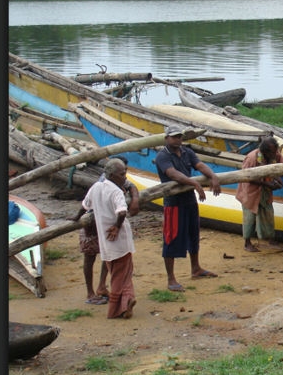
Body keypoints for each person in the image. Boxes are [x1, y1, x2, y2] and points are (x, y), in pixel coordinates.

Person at [155, 124, 222, 292]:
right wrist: (195, 183)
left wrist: (213, 176)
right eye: (174, 136)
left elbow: (199, 165)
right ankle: (171, 279)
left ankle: (196, 268)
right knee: (171, 238)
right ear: (166, 138)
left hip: (189, 201)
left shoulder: (187, 152)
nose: (178, 139)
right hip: (173, 202)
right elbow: (172, 174)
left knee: (193, 234)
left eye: (180, 136)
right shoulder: (162, 155)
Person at [71, 155, 140, 305]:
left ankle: (102, 287)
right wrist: (77, 219)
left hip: (106, 224)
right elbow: (87, 205)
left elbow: (132, 187)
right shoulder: (105, 184)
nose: (125, 176)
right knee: (91, 257)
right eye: (123, 173)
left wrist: (135, 200)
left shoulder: (117, 179)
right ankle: (91, 293)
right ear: (113, 173)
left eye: (126, 171)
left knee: (108, 256)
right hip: (94, 224)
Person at [235, 137, 283, 252]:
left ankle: (271, 240)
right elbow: (246, 177)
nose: (275, 154)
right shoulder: (252, 158)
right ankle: (247, 243)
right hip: (251, 191)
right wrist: (267, 184)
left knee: (268, 213)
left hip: (265, 191)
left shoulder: (275, 155)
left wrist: (279, 179)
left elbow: (282, 166)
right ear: (265, 152)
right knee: (250, 216)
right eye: (272, 152)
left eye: (275, 151)